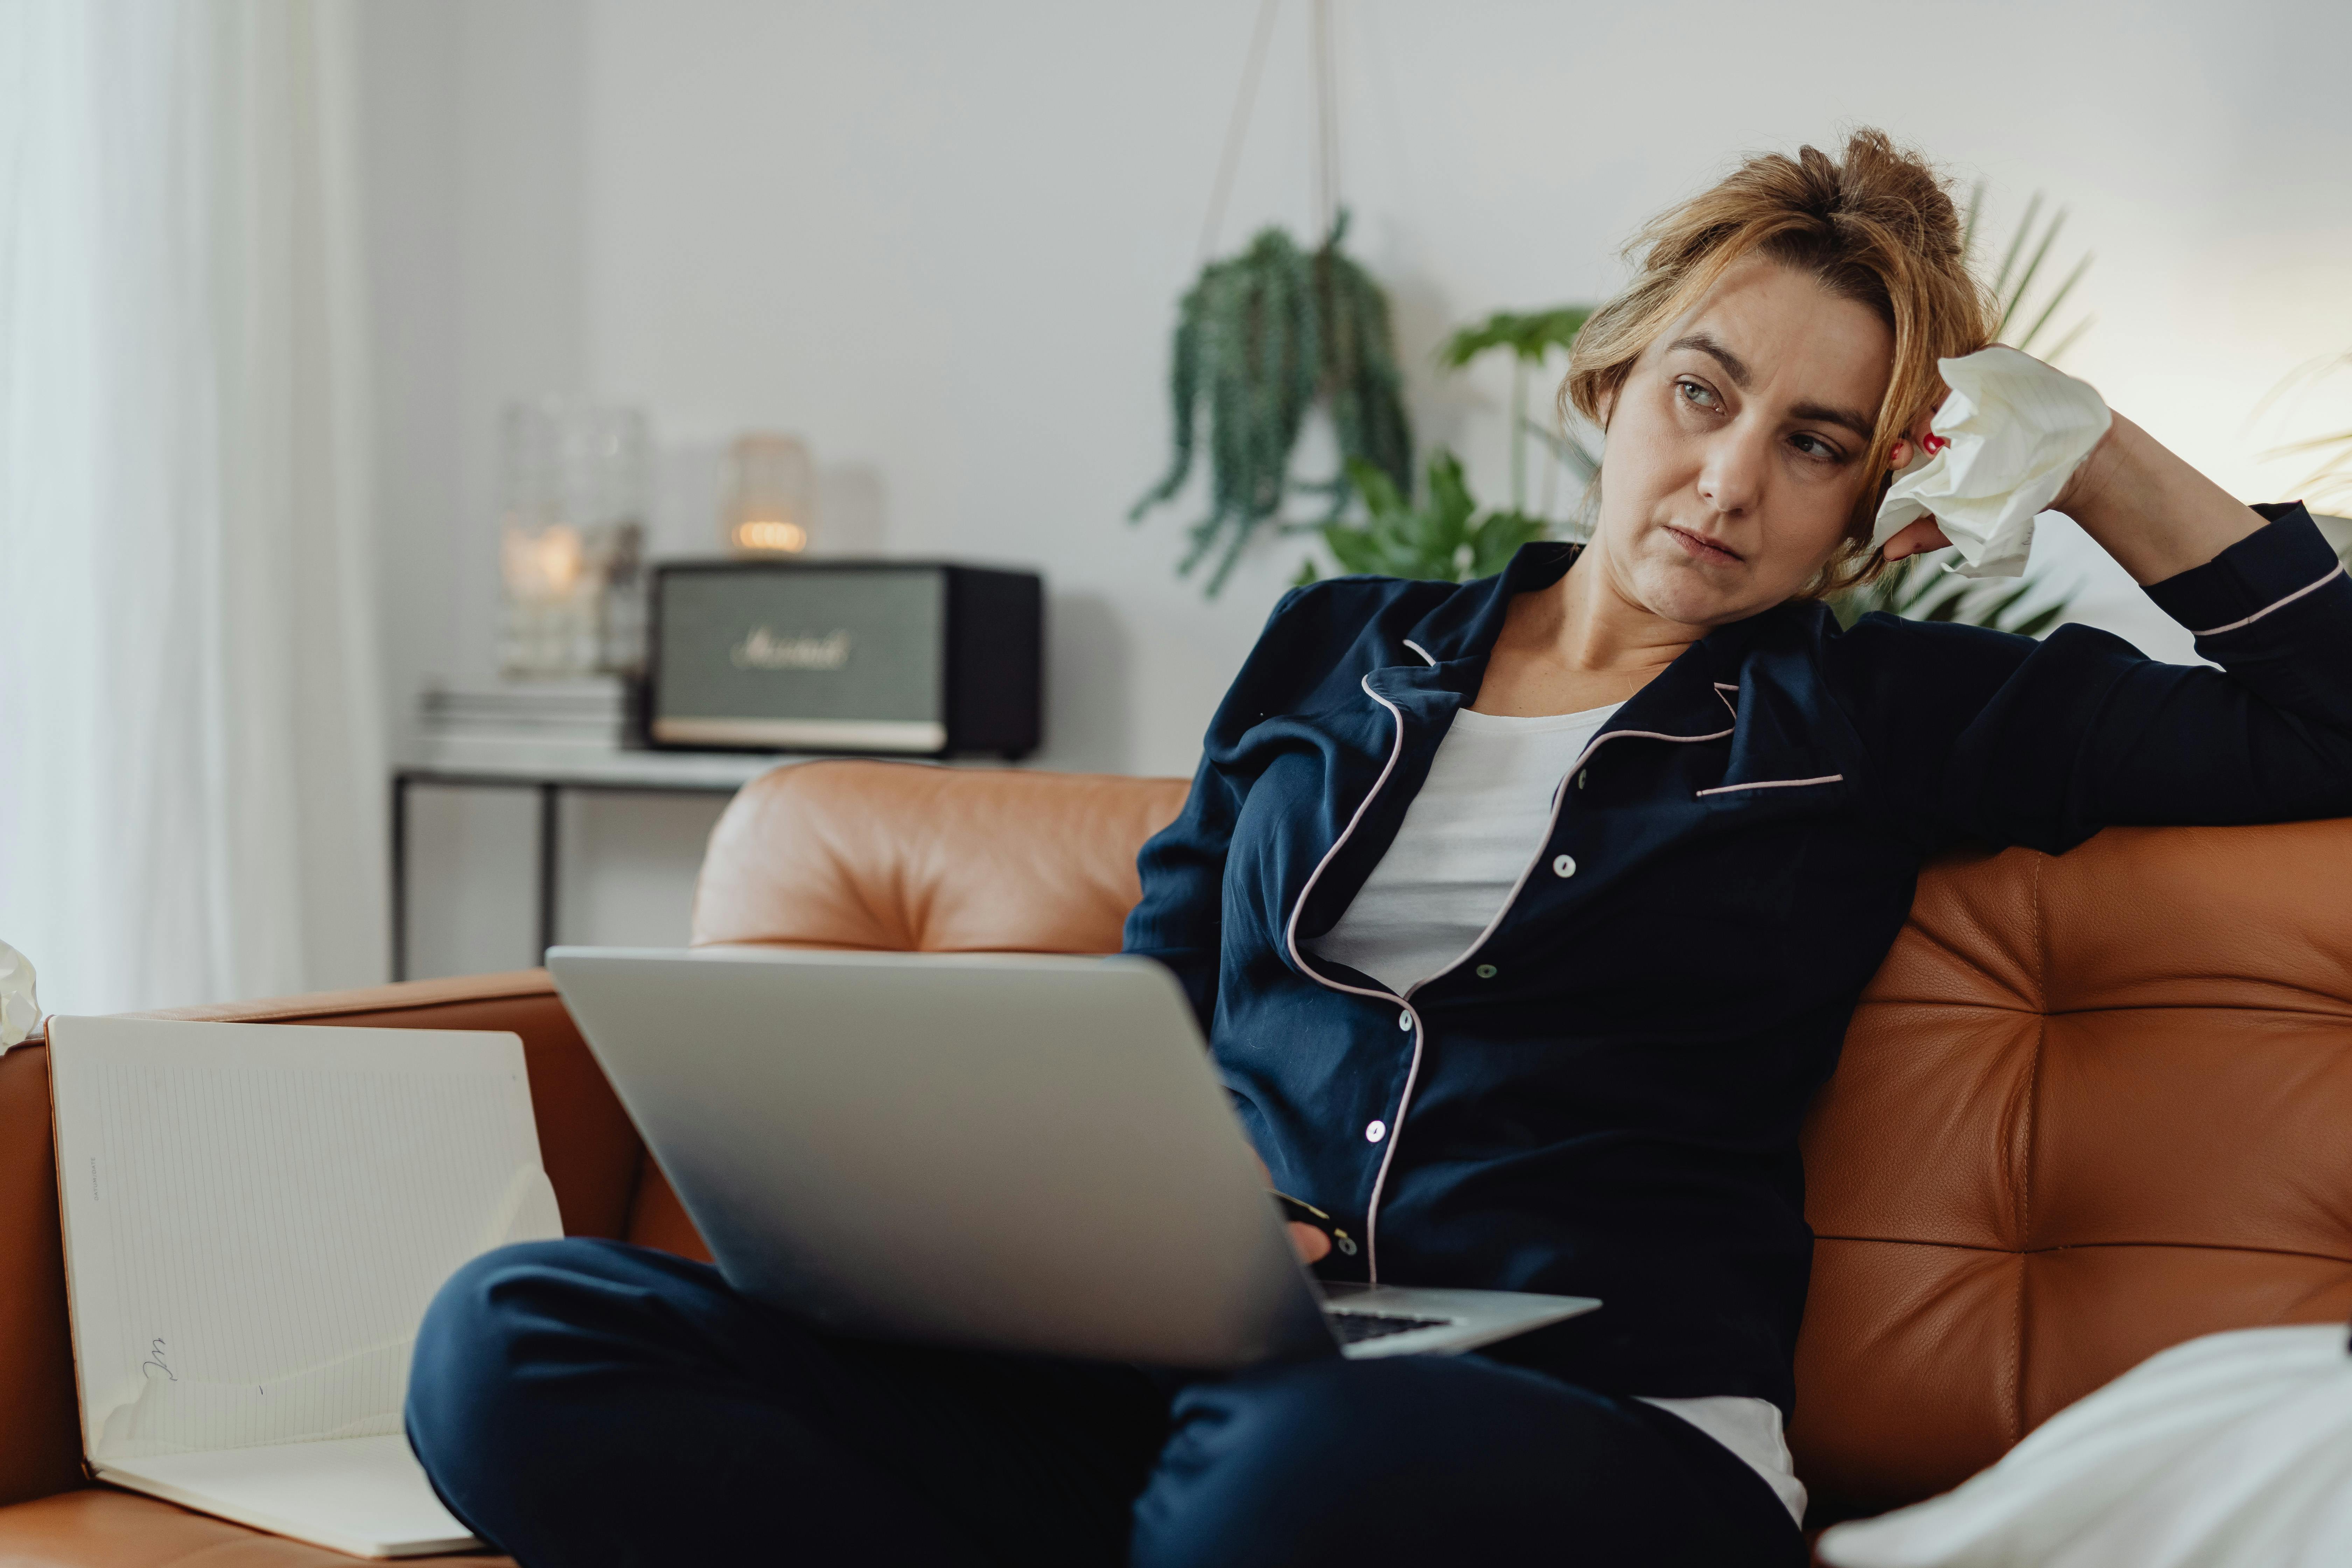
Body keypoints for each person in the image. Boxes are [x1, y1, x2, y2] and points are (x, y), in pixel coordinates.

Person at [404, 129, 2352, 1567]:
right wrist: (1150, 1226)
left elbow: (2324, 715)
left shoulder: (1886, 716)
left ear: (1869, 502)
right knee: (510, 1340)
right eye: (1705, 391)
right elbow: (1154, 1000)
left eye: (1821, 445)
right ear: (1613, 382)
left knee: (1289, 1484)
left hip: (1587, 1432)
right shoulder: (1338, 645)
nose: (1733, 477)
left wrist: (2089, 450)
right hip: (1191, 1390)